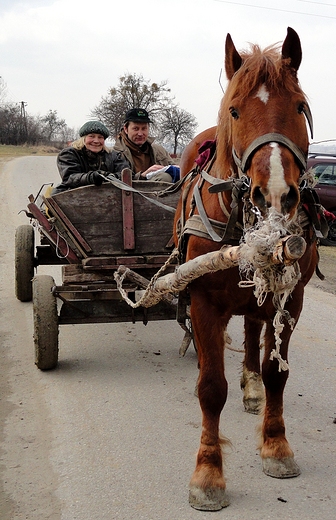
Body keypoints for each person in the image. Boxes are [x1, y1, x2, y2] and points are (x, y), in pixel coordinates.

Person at [51, 120, 129, 195]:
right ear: (83, 138)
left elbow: (126, 173)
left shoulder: (114, 156)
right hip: (73, 196)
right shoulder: (69, 154)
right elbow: (70, 177)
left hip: (107, 196)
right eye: (91, 136)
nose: (96, 141)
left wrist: (111, 177)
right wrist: (91, 177)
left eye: (100, 137)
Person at [113, 108, 179, 183]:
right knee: (165, 177)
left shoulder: (158, 150)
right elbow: (117, 180)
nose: (140, 133)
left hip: (162, 193)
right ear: (126, 129)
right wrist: (143, 175)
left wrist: (178, 169)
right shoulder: (116, 153)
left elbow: (176, 169)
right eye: (136, 129)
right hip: (131, 192)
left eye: (144, 129)